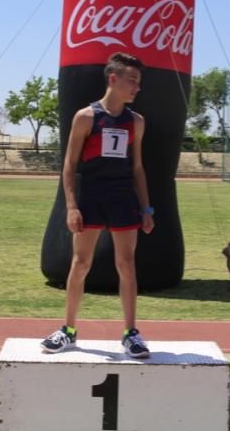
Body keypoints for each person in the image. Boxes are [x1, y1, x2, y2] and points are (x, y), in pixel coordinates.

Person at [41, 52, 155, 358]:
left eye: (139, 82)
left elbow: (138, 169)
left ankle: (131, 333)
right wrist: (71, 205)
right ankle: (68, 330)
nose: (136, 88)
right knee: (81, 264)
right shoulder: (86, 117)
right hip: (90, 195)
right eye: (132, 81)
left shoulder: (137, 122)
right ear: (113, 79)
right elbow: (69, 165)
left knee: (126, 265)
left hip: (122, 198)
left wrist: (147, 209)